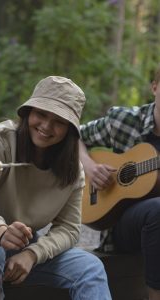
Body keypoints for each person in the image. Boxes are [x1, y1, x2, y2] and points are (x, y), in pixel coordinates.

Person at [0, 76, 112, 299]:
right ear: (28, 112)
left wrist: (32, 254)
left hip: (15, 245)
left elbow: (69, 228)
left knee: (90, 268)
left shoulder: (73, 170)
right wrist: (0, 232)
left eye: (59, 121)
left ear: (70, 129)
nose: (47, 126)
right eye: (41, 114)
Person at [79, 64, 160, 300]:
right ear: (154, 87)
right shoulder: (124, 120)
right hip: (124, 227)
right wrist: (89, 166)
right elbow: (72, 134)